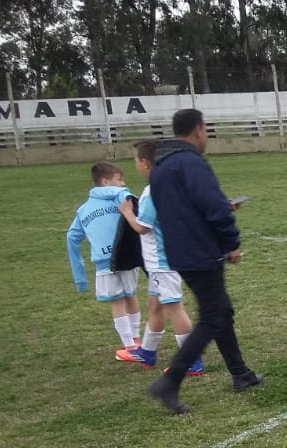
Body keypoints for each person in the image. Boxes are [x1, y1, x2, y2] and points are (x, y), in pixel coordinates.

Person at [146, 109, 261, 414]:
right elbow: (212, 207)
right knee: (213, 317)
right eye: (206, 129)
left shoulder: (160, 167)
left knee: (221, 311)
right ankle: (171, 380)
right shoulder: (191, 162)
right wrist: (231, 243)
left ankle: (240, 373)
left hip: (180, 251)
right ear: (198, 130)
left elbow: (178, 208)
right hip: (200, 251)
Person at [116, 140, 203, 375]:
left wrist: (127, 213)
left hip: (162, 260)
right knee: (154, 304)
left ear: (145, 163)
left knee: (174, 308)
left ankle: (192, 361)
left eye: (136, 161)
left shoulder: (151, 191)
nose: (135, 165)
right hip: (169, 256)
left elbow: (142, 227)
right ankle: (147, 351)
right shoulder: (173, 185)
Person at [66, 161, 142, 358]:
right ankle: (136, 340)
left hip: (104, 261)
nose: (123, 183)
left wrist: (80, 278)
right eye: (119, 179)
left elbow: (72, 238)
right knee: (130, 295)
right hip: (127, 256)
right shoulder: (122, 197)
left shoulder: (83, 210)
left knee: (116, 302)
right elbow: (136, 205)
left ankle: (130, 347)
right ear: (105, 181)